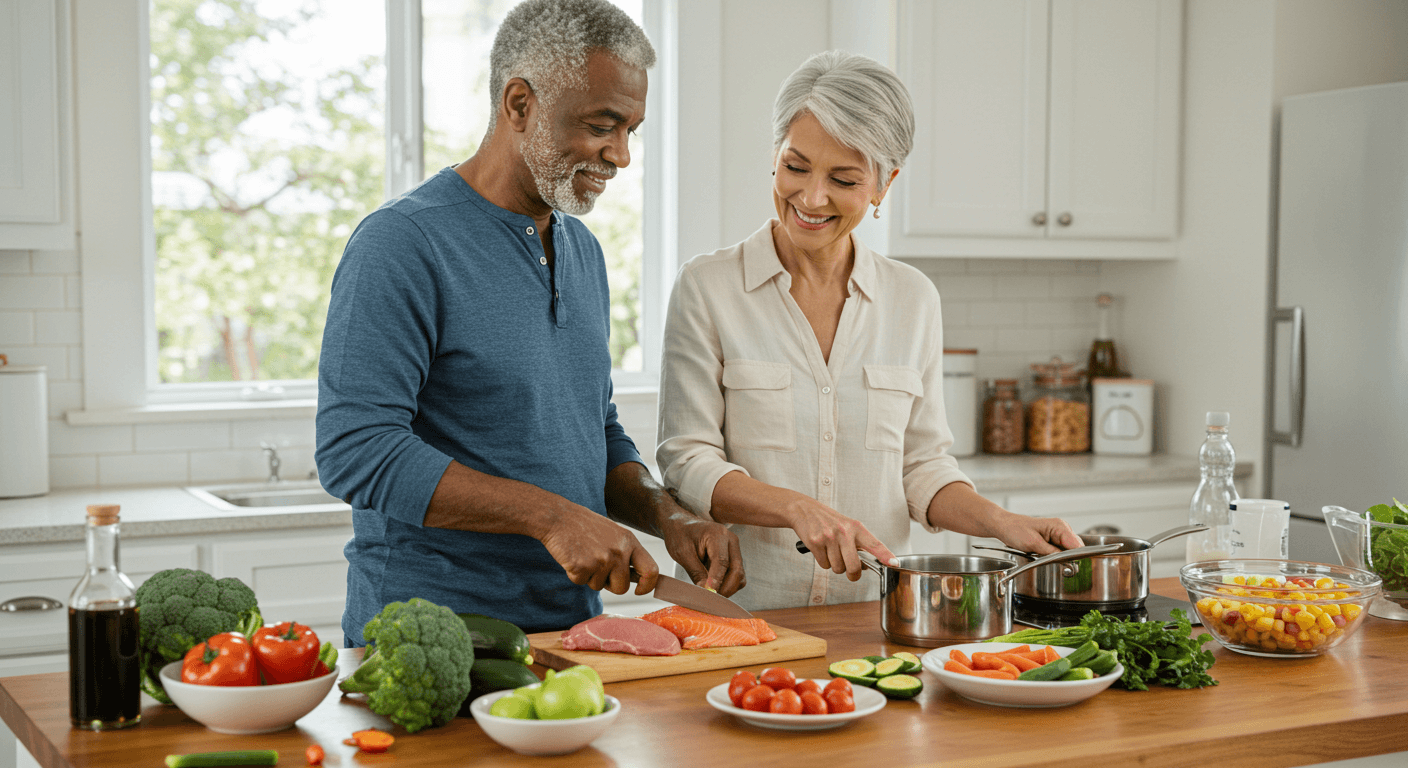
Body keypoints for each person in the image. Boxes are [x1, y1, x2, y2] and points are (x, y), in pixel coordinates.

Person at [316, 0, 743, 643]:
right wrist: (551, 518)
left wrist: (668, 516)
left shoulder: (583, 251)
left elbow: (590, 431)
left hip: (569, 635)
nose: (621, 155)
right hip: (430, 640)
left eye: (632, 130)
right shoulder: (401, 245)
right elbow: (355, 450)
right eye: (603, 125)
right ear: (520, 103)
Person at [655, 50, 1082, 612]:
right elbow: (687, 460)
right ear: (775, 158)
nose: (811, 197)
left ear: (883, 184)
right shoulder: (708, 286)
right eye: (796, 166)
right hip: (745, 616)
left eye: (844, 179)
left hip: (877, 617)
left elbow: (922, 468)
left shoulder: (912, 298)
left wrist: (1003, 523)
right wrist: (797, 508)